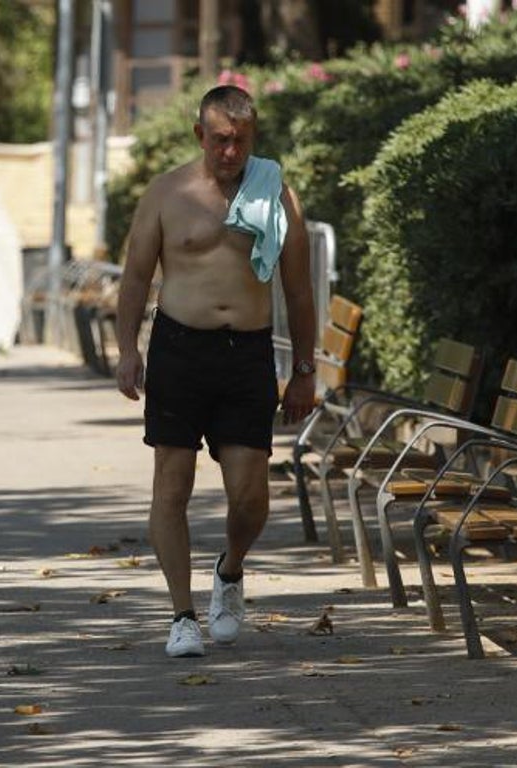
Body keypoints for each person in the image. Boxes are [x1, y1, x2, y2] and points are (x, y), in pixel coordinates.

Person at [114, 85, 316, 658]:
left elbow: (299, 292)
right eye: (221, 140)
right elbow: (134, 277)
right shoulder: (167, 193)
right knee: (171, 487)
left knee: (251, 498)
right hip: (179, 349)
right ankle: (182, 616)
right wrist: (128, 350)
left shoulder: (275, 194)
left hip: (246, 352)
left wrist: (303, 370)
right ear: (199, 135)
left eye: (242, 141)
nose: (231, 152)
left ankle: (229, 570)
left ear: (254, 138)